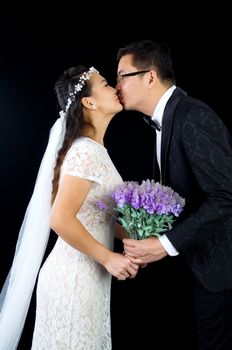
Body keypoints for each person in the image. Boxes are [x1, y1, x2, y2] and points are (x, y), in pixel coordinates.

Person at [0, 65, 139, 350]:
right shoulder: (85, 151)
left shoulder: (95, 150)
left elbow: (98, 216)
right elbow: (60, 218)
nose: (115, 87)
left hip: (89, 279)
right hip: (74, 277)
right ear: (89, 102)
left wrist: (137, 239)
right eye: (104, 84)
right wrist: (109, 259)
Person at [116, 40, 232, 350]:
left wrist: (163, 245)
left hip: (218, 272)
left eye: (122, 75)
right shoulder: (162, 120)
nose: (117, 86)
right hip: (188, 270)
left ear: (150, 76)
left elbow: (225, 196)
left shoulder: (193, 115)